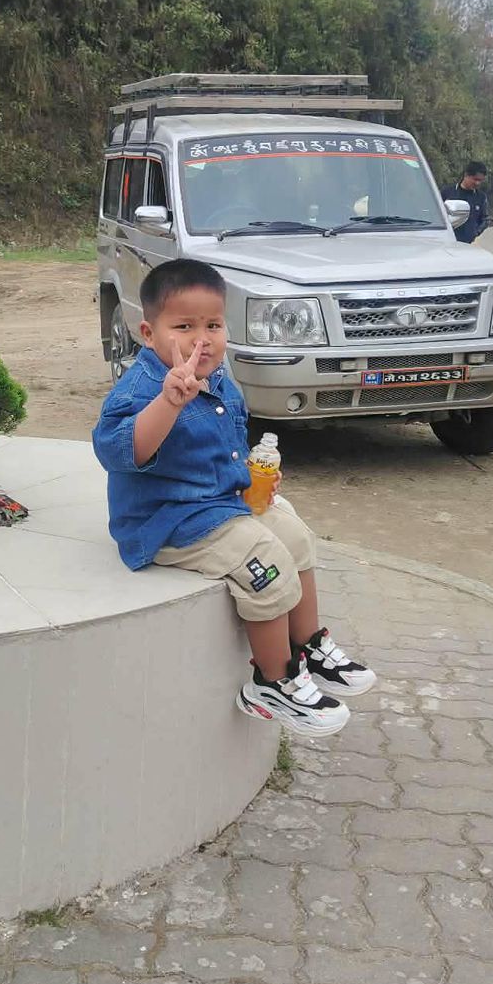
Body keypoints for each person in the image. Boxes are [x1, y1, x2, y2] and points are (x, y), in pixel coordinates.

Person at [92, 258, 377, 737]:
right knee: (265, 560)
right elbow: (120, 451)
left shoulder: (221, 379)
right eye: (184, 327)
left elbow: (227, 441)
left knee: (295, 536)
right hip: (169, 520)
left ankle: (307, 645)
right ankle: (271, 681)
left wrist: (248, 474)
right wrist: (169, 402)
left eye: (213, 325)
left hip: (221, 502)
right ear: (148, 332)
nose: (201, 341)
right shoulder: (141, 388)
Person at [444, 160, 490, 243]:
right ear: (466, 175)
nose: (477, 183)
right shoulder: (447, 193)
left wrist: (475, 232)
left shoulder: (481, 197)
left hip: (467, 244)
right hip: (446, 241)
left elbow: (485, 219)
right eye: (475, 179)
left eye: (480, 180)